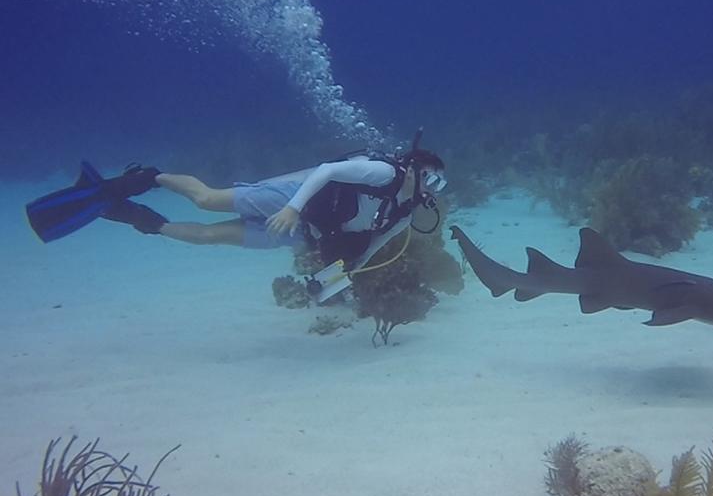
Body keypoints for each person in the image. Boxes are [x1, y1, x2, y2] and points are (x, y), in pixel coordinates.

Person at [26, 135, 447, 298]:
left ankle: (139, 218)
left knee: (210, 238)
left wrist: (338, 275)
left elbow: (373, 244)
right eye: (428, 178)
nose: (429, 189)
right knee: (207, 201)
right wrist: (291, 206)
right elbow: (328, 172)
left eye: (436, 185)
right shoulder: (383, 171)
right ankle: (149, 176)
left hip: (303, 233)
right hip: (289, 201)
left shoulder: (407, 211)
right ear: (412, 167)